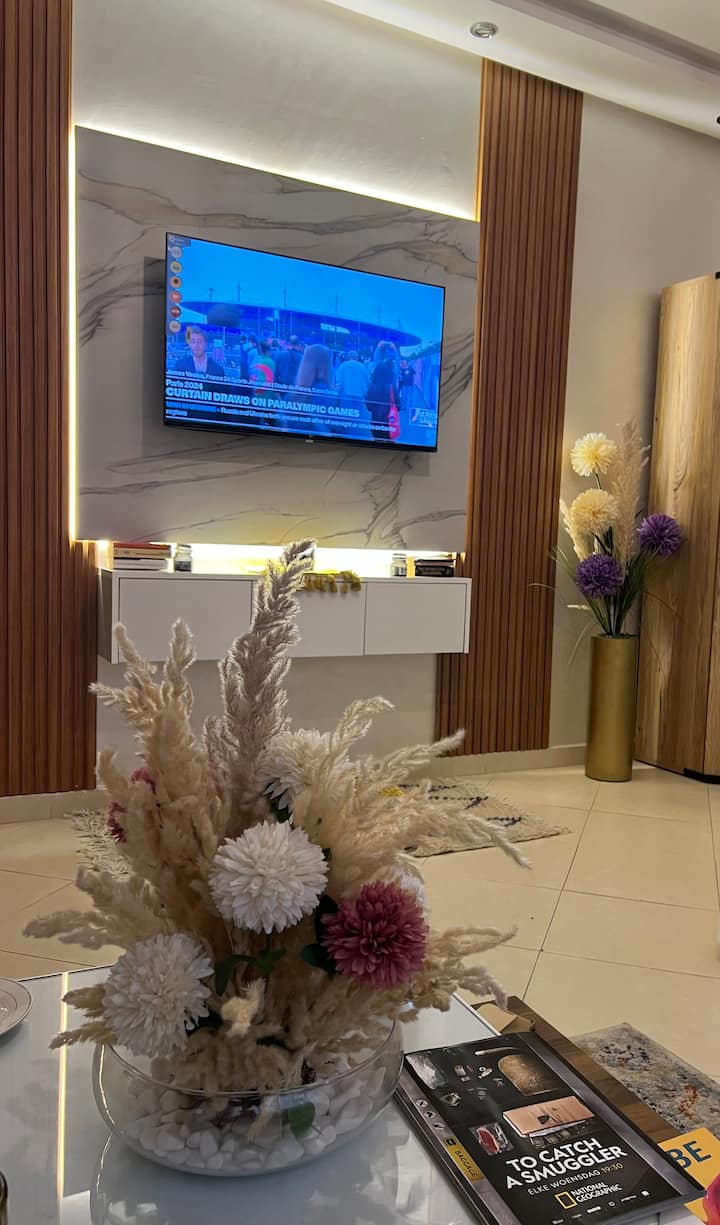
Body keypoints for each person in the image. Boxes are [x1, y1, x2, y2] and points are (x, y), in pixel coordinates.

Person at [334, 349, 369, 434]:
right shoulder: (362, 367)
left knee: (345, 417)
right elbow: (368, 381)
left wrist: (337, 396)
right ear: (357, 357)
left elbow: (338, 382)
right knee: (357, 418)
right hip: (359, 397)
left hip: (345, 396)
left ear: (348, 357)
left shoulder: (343, 366)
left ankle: (344, 433)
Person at [366, 357, 400, 443]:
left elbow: (368, 407)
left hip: (376, 423)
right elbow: (399, 406)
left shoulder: (372, 387)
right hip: (390, 423)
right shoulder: (392, 387)